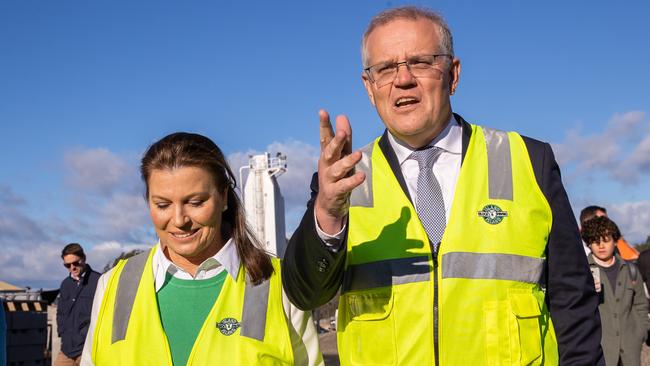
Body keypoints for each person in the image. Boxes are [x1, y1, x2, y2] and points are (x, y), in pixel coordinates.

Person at [281, 6, 604, 365]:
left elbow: (573, 303)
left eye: (420, 62)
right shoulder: (342, 180)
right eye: (385, 68)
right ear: (369, 87)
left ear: (453, 74)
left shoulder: (528, 160)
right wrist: (326, 212)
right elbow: (305, 293)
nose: (402, 79)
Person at [81, 132, 323, 365]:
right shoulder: (113, 285)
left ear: (224, 197)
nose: (179, 220)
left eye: (195, 202)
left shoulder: (278, 284)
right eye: (162, 204)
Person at [582, 216, 649, 366]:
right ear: (588, 243)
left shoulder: (631, 269)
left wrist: (641, 332)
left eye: (605, 240)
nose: (601, 246)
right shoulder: (583, 271)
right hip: (599, 350)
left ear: (615, 240)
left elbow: (641, 304)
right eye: (595, 241)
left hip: (630, 348)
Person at [55, 243, 100, 366]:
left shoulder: (99, 281)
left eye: (75, 263)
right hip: (67, 350)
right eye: (67, 265)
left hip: (88, 350)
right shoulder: (65, 284)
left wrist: (86, 336)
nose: (72, 268)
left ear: (83, 258)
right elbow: (60, 312)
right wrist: (62, 332)